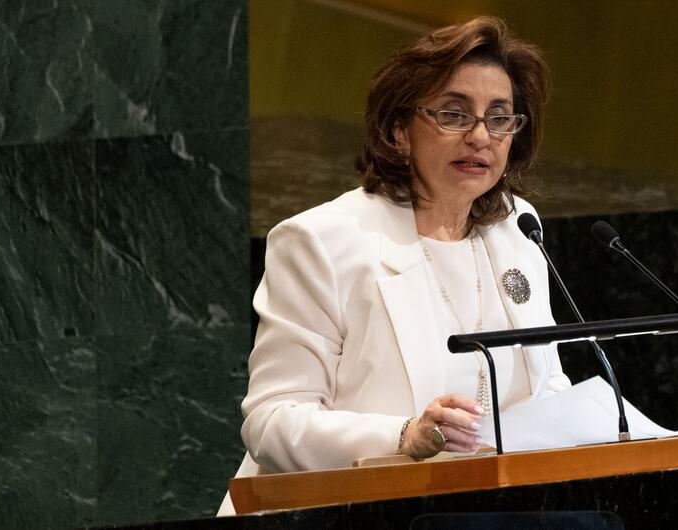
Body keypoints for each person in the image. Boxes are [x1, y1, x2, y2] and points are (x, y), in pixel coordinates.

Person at [217, 16, 571, 515]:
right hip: (339, 515)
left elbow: (545, 382)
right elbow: (271, 421)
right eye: (453, 114)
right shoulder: (323, 242)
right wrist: (404, 435)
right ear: (399, 130)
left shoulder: (518, 228)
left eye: (499, 118)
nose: (479, 136)